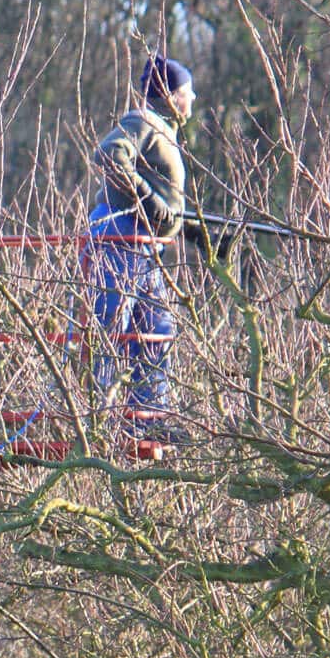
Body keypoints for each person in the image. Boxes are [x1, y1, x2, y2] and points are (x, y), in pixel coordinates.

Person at [85, 54, 201, 446]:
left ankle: (149, 418)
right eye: (187, 92)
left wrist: (196, 232)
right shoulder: (144, 122)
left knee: (156, 331)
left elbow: (165, 204)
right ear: (170, 96)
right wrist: (147, 199)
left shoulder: (164, 132)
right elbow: (109, 154)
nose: (194, 98)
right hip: (119, 234)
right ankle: (91, 419)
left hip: (144, 244)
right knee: (108, 327)